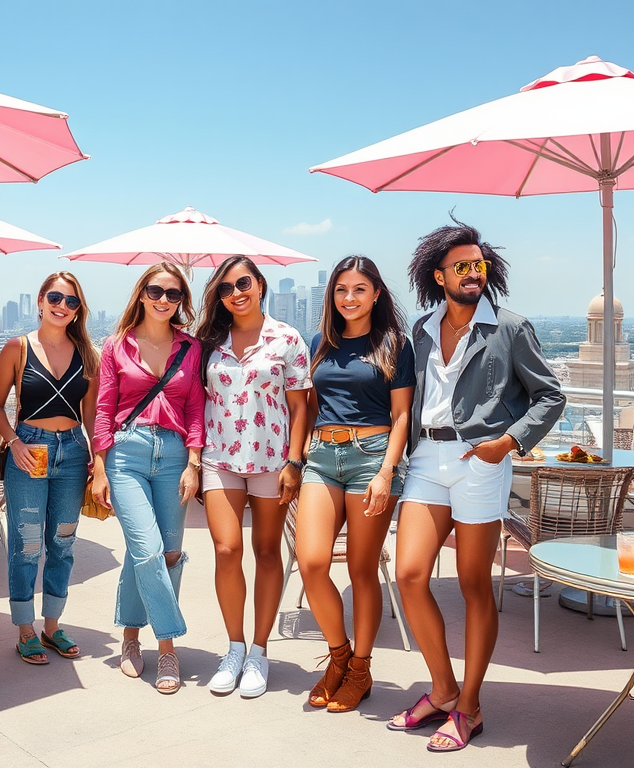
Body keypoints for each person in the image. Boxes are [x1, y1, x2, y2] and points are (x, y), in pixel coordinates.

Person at [389, 219, 564, 751]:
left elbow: (549, 396)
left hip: (480, 462)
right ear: (438, 275)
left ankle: (469, 705)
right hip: (425, 459)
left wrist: (508, 444)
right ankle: (442, 688)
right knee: (411, 574)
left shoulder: (509, 327)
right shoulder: (420, 330)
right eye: (460, 266)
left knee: (471, 585)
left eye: (479, 265)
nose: (472, 273)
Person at [296, 255, 415, 713]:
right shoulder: (319, 343)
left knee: (362, 571)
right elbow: (308, 403)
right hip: (323, 459)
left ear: (377, 294)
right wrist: (303, 448)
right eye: (341, 289)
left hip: (371, 459)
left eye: (359, 289)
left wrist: (387, 471)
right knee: (312, 563)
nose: (349, 298)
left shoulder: (393, 345)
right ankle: (339, 656)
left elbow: (402, 415)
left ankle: (361, 670)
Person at [194, 256, 310, 698]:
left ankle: (260, 652)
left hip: (272, 460)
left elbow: (301, 406)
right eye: (225, 289)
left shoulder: (287, 338)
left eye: (243, 283)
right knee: (226, 549)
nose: (235, 293)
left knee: (265, 551)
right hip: (219, 458)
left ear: (260, 285)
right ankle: (234, 648)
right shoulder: (209, 341)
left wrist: (295, 462)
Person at [91, 262, 204, 694]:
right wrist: (100, 466)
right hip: (127, 454)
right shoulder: (117, 346)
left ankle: (129, 638)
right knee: (148, 548)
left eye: (173, 294)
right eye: (156, 291)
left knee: (168, 553)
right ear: (141, 294)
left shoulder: (190, 348)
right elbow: (104, 409)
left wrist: (193, 462)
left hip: (174, 455)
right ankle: (168, 646)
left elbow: (195, 407)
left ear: (181, 301)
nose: (163, 300)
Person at [0, 272, 99, 665]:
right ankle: (24, 631)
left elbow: (92, 415)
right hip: (29, 449)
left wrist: (97, 461)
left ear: (78, 309)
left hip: (71, 452)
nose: (62, 306)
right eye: (55, 297)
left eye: (71, 302)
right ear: (39, 299)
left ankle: (52, 627)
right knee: (27, 544)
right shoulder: (17, 348)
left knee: (63, 542)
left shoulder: (87, 353)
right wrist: (13, 442)